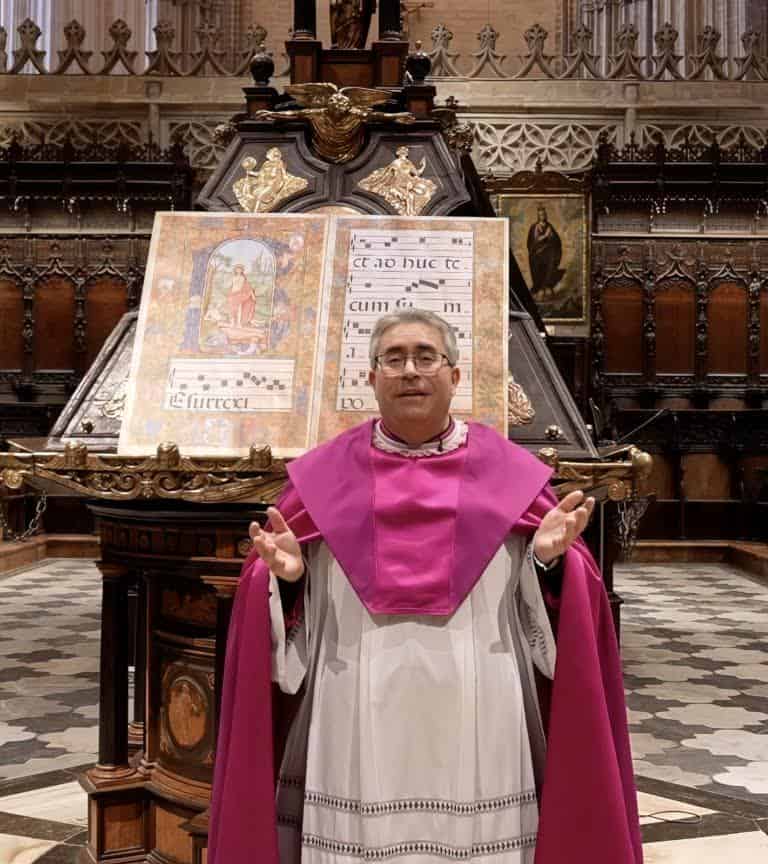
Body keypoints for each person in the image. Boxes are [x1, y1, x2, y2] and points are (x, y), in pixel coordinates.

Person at [209, 309, 642, 864]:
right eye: (393, 359)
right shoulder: (323, 479)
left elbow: (557, 621)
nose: (410, 371)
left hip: (479, 699)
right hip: (353, 695)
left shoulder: (509, 476)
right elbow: (278, 611)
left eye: (425, 357)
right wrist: (288, 580)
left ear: (454, 376)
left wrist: (547, 562)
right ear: (371, 379)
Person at [527, 205, 565, 298]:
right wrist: (545, 236)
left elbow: (557, 241)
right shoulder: (535, 227)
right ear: (538, 216)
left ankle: (546, 286)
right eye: (541, 215)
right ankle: (539, 288)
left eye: (544, 214)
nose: (543, 216)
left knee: (551, 260)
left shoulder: (549, 226)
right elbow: (533, 242)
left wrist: (551, 238)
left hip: (548, 254)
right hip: (537, 254)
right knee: (537, 263)